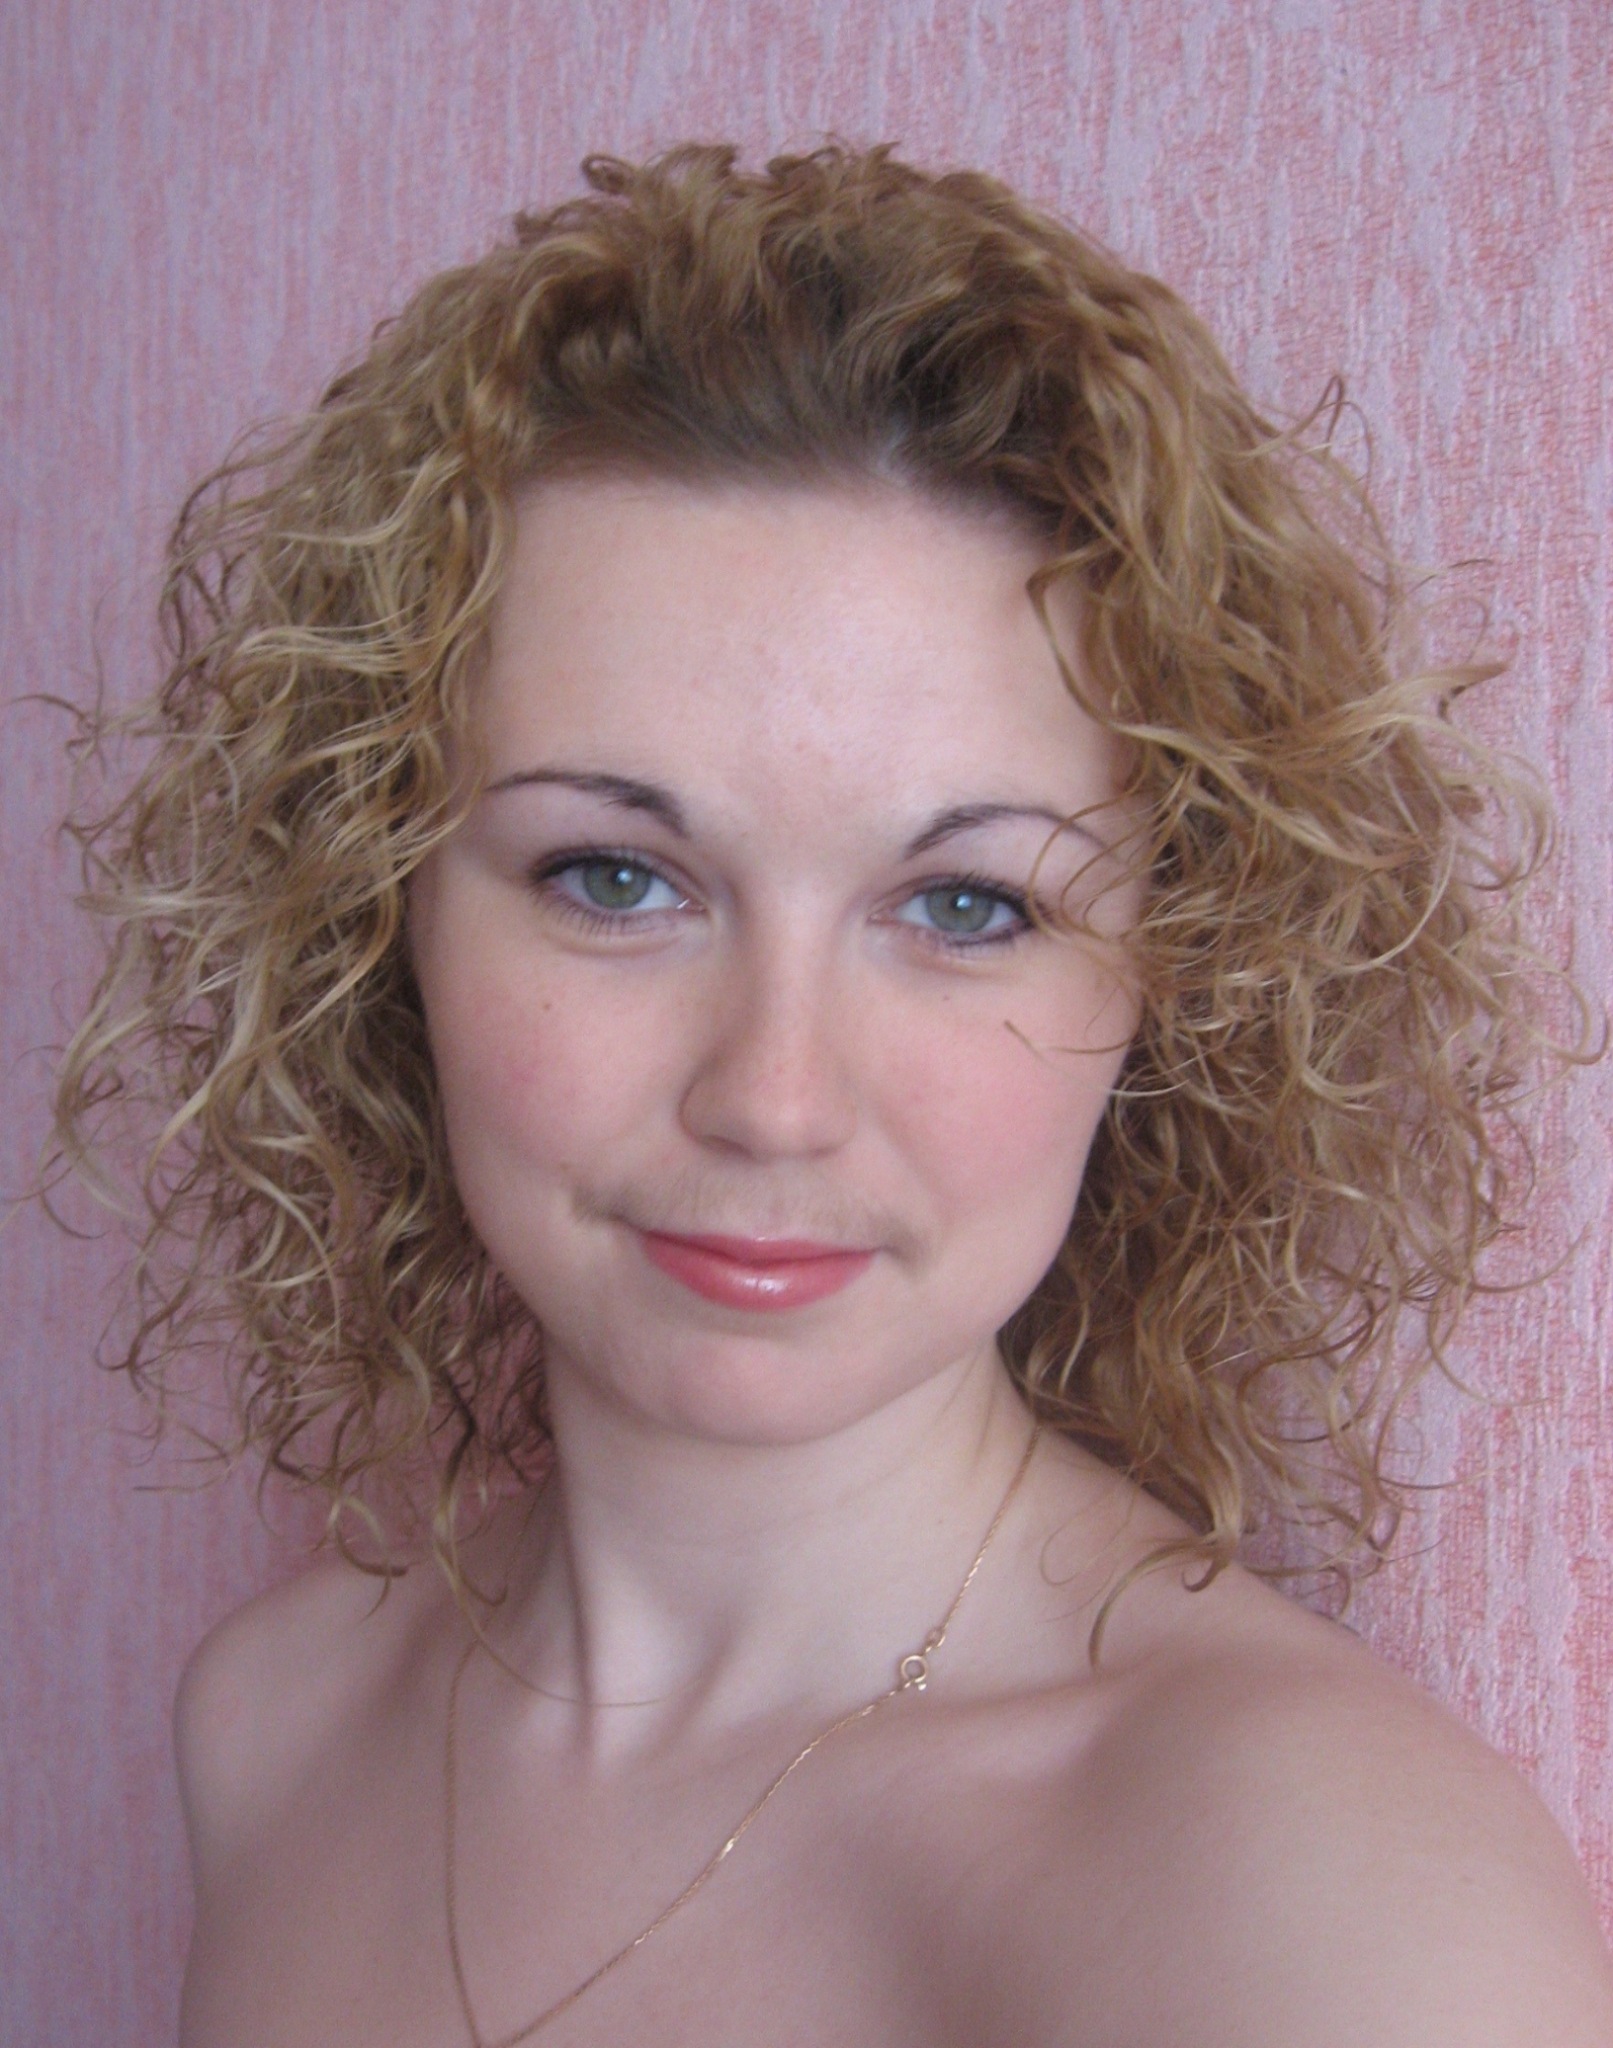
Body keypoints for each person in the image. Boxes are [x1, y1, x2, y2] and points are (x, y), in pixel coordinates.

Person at [53, 143, 1613, 2046]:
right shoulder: (272, 1729)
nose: (773, 1098)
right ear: (377, 913)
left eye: (964, 906)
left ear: (1178, 978)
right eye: (614, 878)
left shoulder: (1323, 1916)